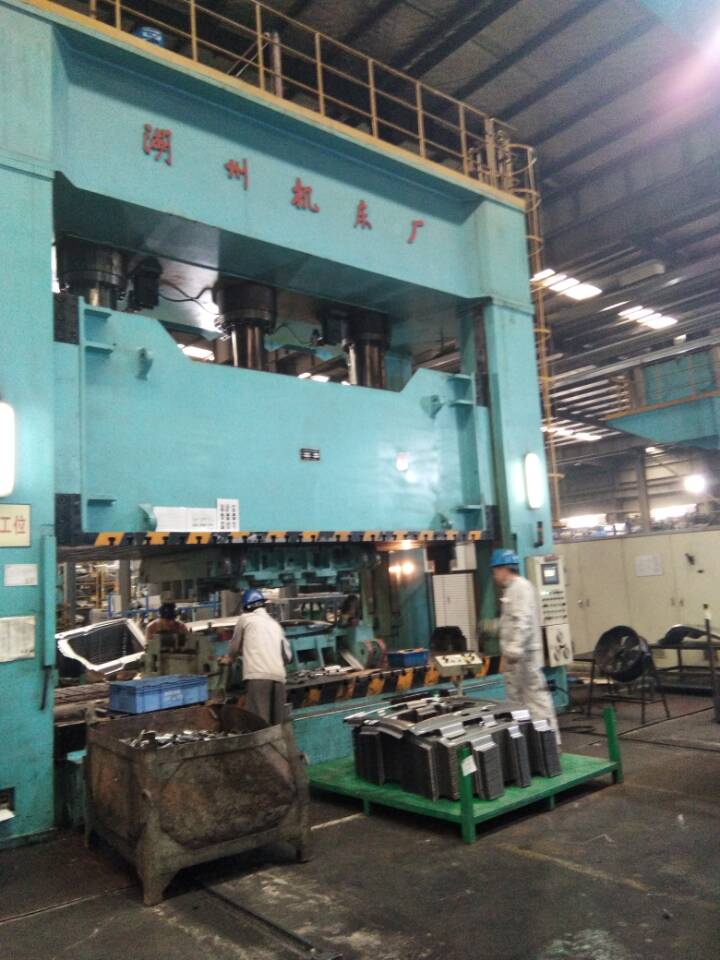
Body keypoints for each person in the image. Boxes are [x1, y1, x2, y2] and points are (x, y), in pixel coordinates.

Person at [490, 548, 559, 741]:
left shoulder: (521, 587)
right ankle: (528, 745)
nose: (495, 576)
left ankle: (550, 743)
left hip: (525, 657)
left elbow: (522, 620)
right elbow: (512, 621)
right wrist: (495, 626)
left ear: (503, 569)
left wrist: (515, 647)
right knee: (517, 704)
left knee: (536, 702)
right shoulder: (511, 590)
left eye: (495, 571)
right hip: (516, 660)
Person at [227, 588, 291, 725]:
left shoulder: (245, 619)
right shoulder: (275, 624)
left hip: (257, 679)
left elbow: (234, 647)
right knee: (277, 725)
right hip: (279, 679)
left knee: (260, 724)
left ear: (246, 607)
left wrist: (229, 659)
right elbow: (287, 657)